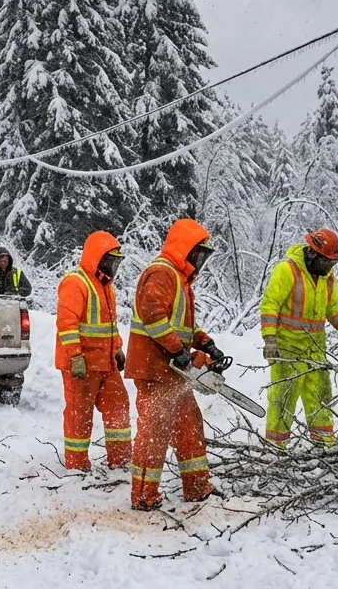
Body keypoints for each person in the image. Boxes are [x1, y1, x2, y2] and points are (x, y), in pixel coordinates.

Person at [126, 219, 229, 511]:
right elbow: (153, 316)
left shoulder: (180, 279)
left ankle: (197, 487)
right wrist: (176, 350)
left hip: (173, 371)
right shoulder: (162, 273)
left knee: (189, 427)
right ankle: (144, 495)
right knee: (153, 433)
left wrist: (205, 344)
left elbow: (181, 326)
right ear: (187, 249)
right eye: (198, 254)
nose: (200, 261)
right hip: (155, 368)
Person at [259, 228, 338, 447]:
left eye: (332, 263)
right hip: (287, 348)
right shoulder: (287, 270)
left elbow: (332, 309)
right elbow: (270, 305)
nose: (330, 268)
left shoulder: (327, 278)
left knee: (321, 396)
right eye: (327, 262)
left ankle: (324, 443)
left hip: (316, 349)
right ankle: (276, 447)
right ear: (313, 254)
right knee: (283, 397)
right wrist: (269, 339)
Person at [55, 231, 131, 472]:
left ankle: (120, 461)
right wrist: (76, 356)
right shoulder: (75, 282)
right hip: (82, 366)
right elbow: (67, 324)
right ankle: (77, 466)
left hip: (106, 363)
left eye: (116, 262)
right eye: (111, 261)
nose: (113, 267)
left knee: (118, 407)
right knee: (80, 414)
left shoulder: (107, 287)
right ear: (97, 258)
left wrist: (117, 348)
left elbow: (109, 325)